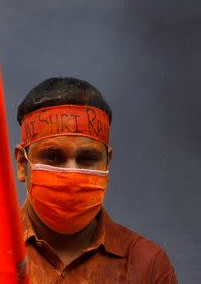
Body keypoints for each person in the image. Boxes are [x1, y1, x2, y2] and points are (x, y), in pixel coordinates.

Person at [13, 77, 177, 283]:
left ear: (107, 163)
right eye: (53, 157)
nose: (70, 173)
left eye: (86, 159)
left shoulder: (147, 265)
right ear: (22, 164)